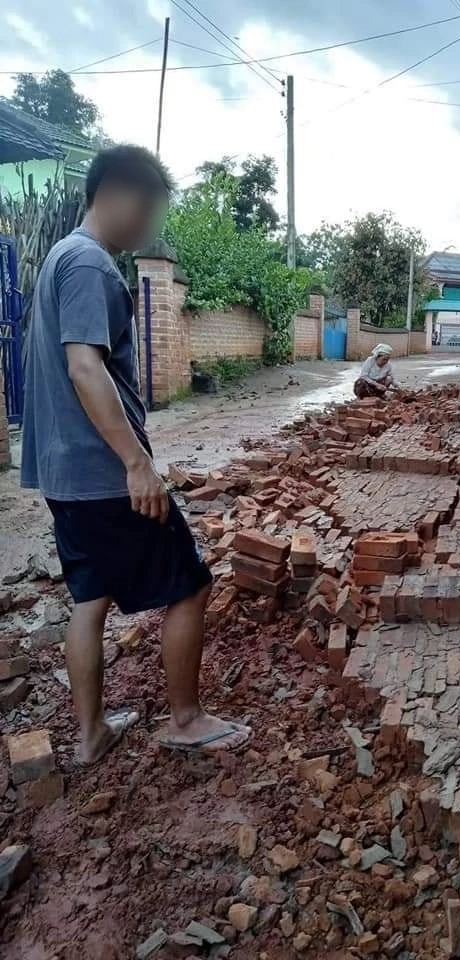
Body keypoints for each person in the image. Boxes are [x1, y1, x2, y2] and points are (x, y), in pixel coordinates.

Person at [21, 144, 251, 766]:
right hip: (104, 477)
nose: (150, 225)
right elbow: (84, 368)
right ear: (114, 194)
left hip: (65, 477)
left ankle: (92, 734)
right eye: (147, 209)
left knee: (90, 598)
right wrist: (136, 464)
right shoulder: (91, 265)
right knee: (191, 585)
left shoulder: (60, 258)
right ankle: (187, 719)